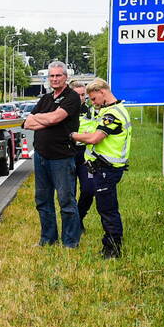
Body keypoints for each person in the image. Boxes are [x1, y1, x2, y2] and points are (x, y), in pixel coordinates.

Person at [70, 79, 132, 258]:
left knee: (108, 210)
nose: (93, 103)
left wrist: (72, 135)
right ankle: (109, 245)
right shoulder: (109, 110)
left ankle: (113, 249)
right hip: (104, 168)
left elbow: (95, 138)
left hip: (107, 168)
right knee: (105, 208)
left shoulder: (112, 114)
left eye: (94, 98)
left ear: (103, 92)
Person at [23, 61, 82, 247]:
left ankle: (70, 242)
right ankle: (48, 239)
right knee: (42, 200)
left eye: (58, 75)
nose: (55, 79)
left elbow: (56, 118)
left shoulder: (71, 97)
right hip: (41, 156)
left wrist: (47, 118)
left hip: (62, 157)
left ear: (66, 77)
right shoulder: (46, 99)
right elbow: (27, 123)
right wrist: (47, 120)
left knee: (66, 201)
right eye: (52, 76)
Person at [71, 79, 98, 230]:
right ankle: (73, 225)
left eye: (83, 95)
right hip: (68, 153)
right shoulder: (64, 111)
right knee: (69, 193)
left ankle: (78, 217)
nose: (81, 98)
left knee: (89, 189)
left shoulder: (93, 111)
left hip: (85, 155)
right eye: (78, 95)